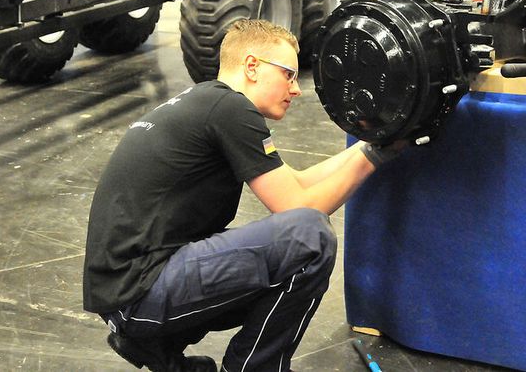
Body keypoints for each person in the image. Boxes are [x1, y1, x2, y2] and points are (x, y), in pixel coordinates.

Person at [83, 19, 404, 372]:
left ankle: (156, 344)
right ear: (252, 66)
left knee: (293, 241)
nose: (295, 89)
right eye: (288, 75)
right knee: (309, 238)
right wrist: (377, 156)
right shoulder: (231, 108)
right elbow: (299, 208)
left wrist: (372, 143)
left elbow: (296, 183)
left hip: (126, 291)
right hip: (140, 292)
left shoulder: (207, 102)